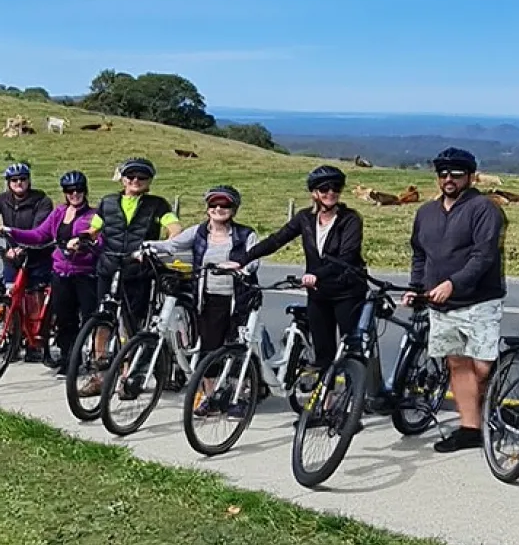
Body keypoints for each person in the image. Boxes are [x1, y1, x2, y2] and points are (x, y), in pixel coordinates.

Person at [406, 147, 507, 453]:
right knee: (457, 364)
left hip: (480, 301)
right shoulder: (426, 212)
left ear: (471, 176)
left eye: (457, 174)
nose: (449, 179)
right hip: (442, 304)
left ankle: (489, 407)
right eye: (443, 174)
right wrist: (416, 287)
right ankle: (470, 428)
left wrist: (453, 283)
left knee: (482, 366)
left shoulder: (484, 209)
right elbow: (420, 254)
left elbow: (484, 256)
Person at [231, 165, 366, 381]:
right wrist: (241, 260)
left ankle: (355, 398)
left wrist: (317, 274)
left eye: (336, 188)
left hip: (347, 291)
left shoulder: (350, 219)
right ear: (314, 193)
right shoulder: (305, 218)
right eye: (324, 188)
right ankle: (326, 402)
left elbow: (347, 256)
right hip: (318, 292)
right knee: (323, 351)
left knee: (350, 348)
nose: (331, 193)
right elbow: (277, 240)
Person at [77, 157, 182, 397]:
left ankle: (128, 376)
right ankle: (100, 376)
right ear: (123, 178)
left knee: (130, 325)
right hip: (109, 265)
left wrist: (162, 245)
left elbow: (174, 228)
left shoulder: (157, 205)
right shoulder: (108, 202)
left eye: (142, 178)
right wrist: (82, 238)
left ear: (149, 182)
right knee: (102, 320)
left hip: (137, 271)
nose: (135, 181)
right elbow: (95, 229)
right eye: (131, 176)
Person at [2, 171, 99, 374]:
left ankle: (92, 357)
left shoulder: (93, 216)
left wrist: (83, 243)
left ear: (85, 190)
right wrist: (11, 231)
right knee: (64, 318)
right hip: (60, 273)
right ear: (64, 193)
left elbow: (99, 242)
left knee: (89, 318)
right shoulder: (59, 213)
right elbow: (39, 235)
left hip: (85, 274)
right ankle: (67, 357)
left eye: (79, 189)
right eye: (69, 191)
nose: (75, 194)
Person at [145, 185, 259, 354]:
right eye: (213, 205)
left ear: (234, 210)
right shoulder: (198, 232)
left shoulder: (246, 234)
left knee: (238, 347)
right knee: (209, 347)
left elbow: (254, 260)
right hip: (207, 298)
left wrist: (240, 267)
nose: (218, 209)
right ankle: (208, 380)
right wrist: (145, 246)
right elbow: (172, 245)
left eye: (225, 205)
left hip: (239, 298)